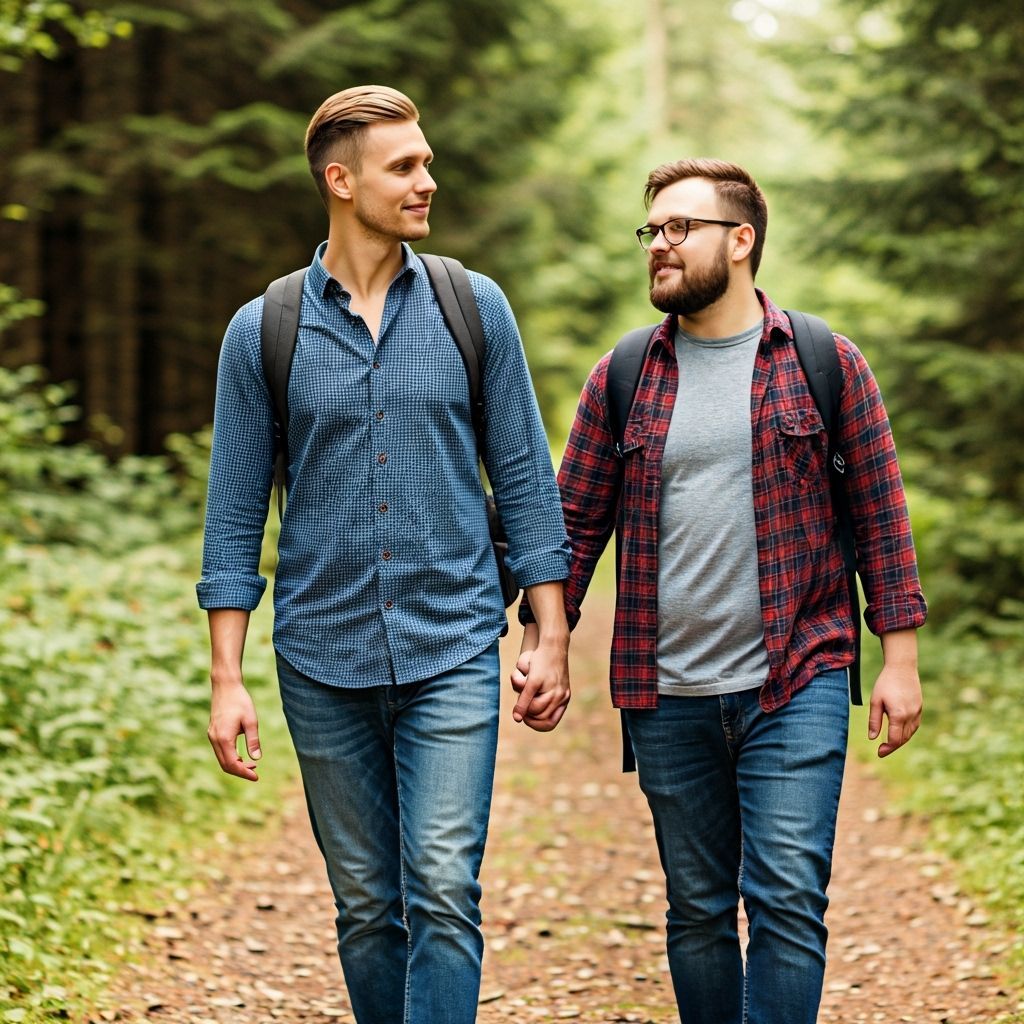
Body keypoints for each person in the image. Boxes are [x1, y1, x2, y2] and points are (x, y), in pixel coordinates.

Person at [514, 158, 927, 1024]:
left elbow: (881, 515)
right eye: (651, 231)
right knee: (698, 911)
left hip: (799, 676)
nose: (658, 246)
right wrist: (546, 641)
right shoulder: (623, 374)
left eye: (679, 228)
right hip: (666, 694)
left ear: (741, 241)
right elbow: (571, 526)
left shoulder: (823, 361)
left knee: (785, 901)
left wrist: (901, 660)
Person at [197, 85, 572, 1024]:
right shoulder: (264, 329)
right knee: (367, 907)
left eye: (427, 162)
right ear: (340, 179)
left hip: (452, 645)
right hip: (321, 658)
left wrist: (551, 633)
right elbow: (235, 512)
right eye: (404, 165)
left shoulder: (471, 307)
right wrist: (225, 678)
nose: (425, 181)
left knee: (443, 887)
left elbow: (525, 478)